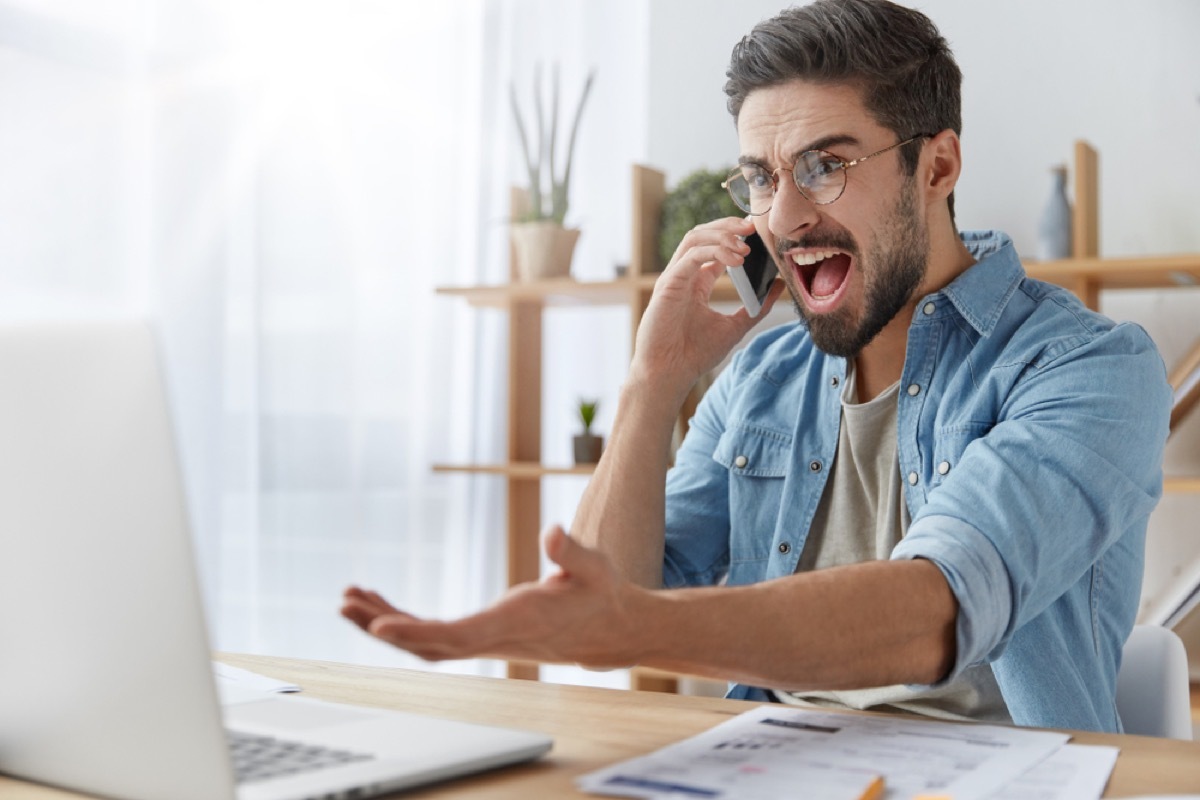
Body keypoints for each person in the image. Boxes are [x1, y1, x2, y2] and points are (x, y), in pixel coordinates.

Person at [342, 0, 1171, 732]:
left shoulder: (1088, 369)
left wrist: (634, 624)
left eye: (825, 166)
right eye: (760, 178)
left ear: (939, 167)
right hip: (774, 766)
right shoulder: (760, 377)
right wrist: (651, 382)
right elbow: (625, 590)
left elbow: (935, 611)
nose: (784, 216)